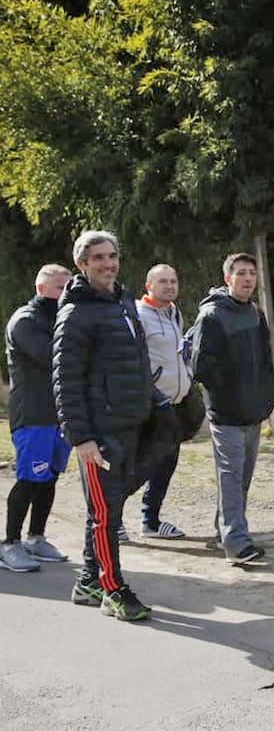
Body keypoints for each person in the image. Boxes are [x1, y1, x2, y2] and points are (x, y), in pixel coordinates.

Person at [54, 231, 160, 621]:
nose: (108, 264)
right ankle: (112, 589)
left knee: (108, 509)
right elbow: (66, 381)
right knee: (104, 515)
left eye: (112, 256)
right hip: (98, 434)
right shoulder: (76, 313)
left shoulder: (123, 302)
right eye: (98, 258)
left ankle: (88, 581)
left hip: (129, 423)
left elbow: (137, 361)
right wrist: (81, 438)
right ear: (82, 264)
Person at [189, 252, 274, 565]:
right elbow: (201, 366)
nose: (248, 278)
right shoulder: (212, 315)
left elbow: (266, 360)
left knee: (242, 478)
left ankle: (223, 531)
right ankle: (237, 544)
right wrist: (230, 390)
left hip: (253, 412)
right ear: (228, 278)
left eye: (252, 272)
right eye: (241, 273)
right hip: (226, 414)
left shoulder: (255, 313)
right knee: (231, 476)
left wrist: (267, 396)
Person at [3, 264, 73, 572]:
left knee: (49, 477)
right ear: (42, 289)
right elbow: (54, 358)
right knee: (30, 478)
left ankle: (36, 537)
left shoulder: (62, 318)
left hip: (60, 415)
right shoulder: (26, 321)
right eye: (60, 288)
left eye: (69, 287)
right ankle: (9, 544)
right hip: (33, 414)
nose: (66, 294)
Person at [135, 263, 191, 540]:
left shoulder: (174, 313)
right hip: (149, 406)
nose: (169, 286)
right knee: (138, 466)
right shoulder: (137, 315)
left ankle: (151, 521)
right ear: (149, 286)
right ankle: (113, 521)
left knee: (166, 465)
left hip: (174, 405)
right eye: (163, 281)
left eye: (173, 281)